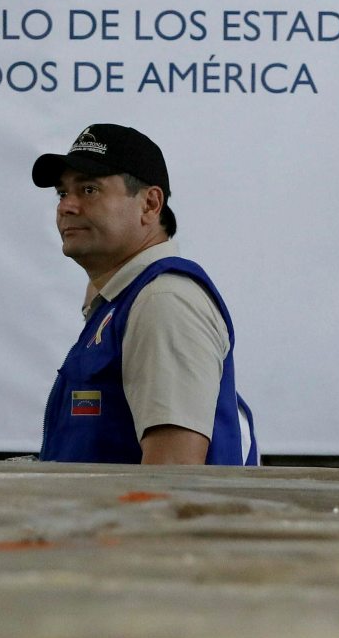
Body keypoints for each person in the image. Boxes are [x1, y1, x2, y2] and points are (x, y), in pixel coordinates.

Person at [32, 123, 258, 466]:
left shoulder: (163, 302)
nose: (67, 207)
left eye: (89, 190)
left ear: (150, 204)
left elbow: (171, 481)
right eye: (62, 193)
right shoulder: (128, 301)